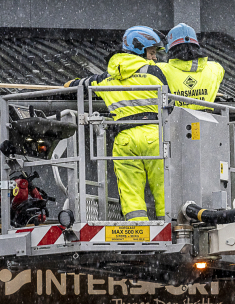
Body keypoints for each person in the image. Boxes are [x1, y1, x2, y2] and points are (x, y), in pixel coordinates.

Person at [65, 26, 167, 221]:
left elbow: (73, 86)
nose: (154, 57)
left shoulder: (106, 78)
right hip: (155, 136)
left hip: (124, 141)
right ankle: (170, 229)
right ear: (140, 49)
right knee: (164, 189)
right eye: (152, 52)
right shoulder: (155, 71)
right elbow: (171, 100)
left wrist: (72, 84)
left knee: (131, 192)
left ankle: (138, 234)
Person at [157, 23, 224, 111]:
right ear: (196, 45)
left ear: (170, 48)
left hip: (174, 122)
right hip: (207, 122)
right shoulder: (215, 68)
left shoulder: (160, 70)